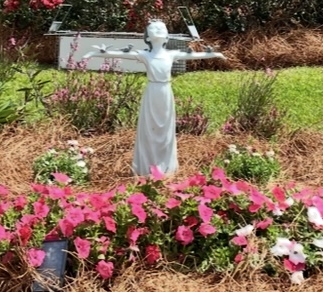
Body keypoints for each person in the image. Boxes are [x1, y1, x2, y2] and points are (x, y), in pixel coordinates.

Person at [85, 22, 224, 176]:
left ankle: (166, 168)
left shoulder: (171, 54)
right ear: (147, 38)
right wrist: (93, 54)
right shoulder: (145, 55)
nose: (158, 29)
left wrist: (216, 55)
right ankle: (146, 167)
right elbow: (121, 55)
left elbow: (194, 56)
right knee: (149, 129)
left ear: (167, 37)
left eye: (162, 28)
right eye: (153, 28)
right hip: (152, 93)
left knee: (166, 129)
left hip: (165, 93)